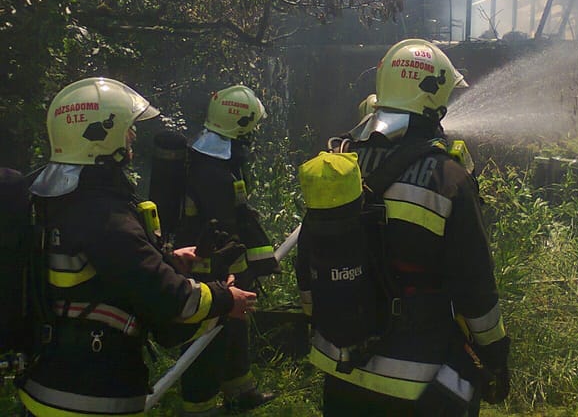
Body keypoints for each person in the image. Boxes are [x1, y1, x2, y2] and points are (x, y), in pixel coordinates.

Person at [16, 77, 256, 417]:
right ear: (101, 135)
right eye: (127, 129)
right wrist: (224, 297)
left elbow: (101, 272)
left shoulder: (52, 196)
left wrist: (169, 258)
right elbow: (164, 295)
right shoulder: (100, 211)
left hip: (47, 383)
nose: (132, 137)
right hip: (89, 395)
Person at [296, 39, 510, 416]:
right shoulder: (447, 179)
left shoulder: (338, 164)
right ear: (435, 98)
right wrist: (495, 353)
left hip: (339, 364)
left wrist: (322, 319)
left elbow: (309, 257)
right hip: (416, 380)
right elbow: (474, 286)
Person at [176, 84, 278, 415]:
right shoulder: (212, 170)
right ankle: (200, 407)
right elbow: (225, 227)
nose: (254, 135)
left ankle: (241, 391)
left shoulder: (216, 158)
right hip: (208, 268)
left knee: (234, 329)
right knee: (205, 343)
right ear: (240, 125)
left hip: (223, 265)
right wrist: (240, 270)